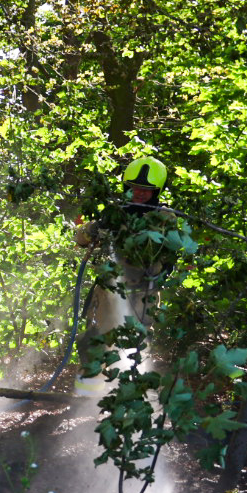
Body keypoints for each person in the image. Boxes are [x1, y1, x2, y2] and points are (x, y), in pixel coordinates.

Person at [72, 155, 175, 395]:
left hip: (143, 292)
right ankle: (87, 395)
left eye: (146, 190)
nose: (139, 193)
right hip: (108, 291)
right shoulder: (116, 212)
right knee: (95, 339)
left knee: (134, 344)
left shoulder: (164, 216)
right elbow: (80, 238)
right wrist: (96, 227)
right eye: (135, 188)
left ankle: (127, 395)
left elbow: (163, 246)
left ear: (157, 191)